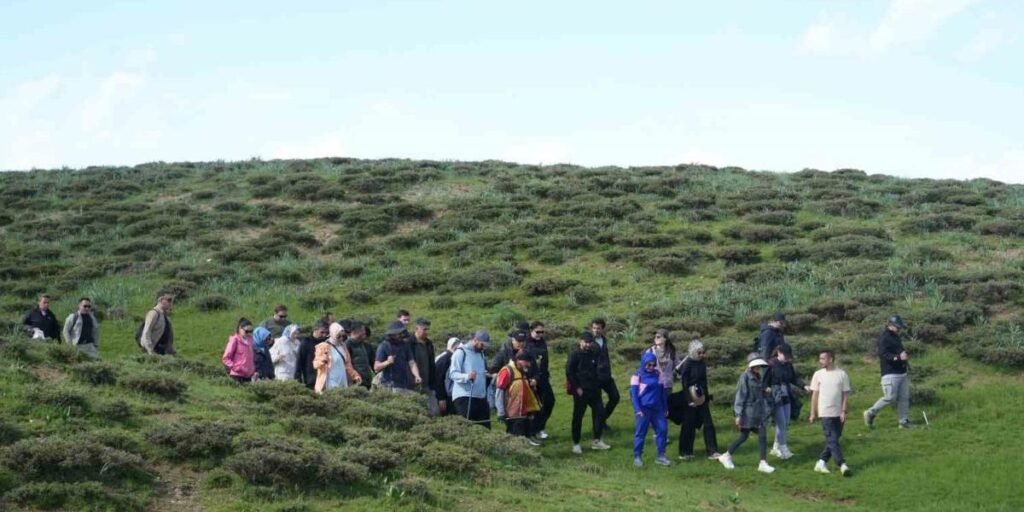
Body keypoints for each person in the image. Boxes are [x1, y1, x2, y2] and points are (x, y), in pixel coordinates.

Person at [719, 353, 775, 474]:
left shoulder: (758, 376)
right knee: (746, 436)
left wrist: (765, 391)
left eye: (760, 366)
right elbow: (740, 396)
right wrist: (738, 415)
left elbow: (757, 393)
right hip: (748, 413)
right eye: (757, 366)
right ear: (752, 366)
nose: (759, 368)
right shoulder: (744, 377)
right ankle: (727, 455)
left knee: (759, 435)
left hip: (758, 413)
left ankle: (762, 462)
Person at [674, 340, 721, 460]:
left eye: (703, 352)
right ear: (694, 352)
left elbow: (704, 382)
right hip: (689, 397)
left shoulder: (702, 363)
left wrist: (707, 397)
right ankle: (685, 452)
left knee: (708, 424)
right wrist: (689, 400)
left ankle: (712, 451)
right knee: (688, 424)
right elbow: (684, 384)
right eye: (699, 353)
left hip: (701, 396)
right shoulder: (687, 364)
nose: (702, 355)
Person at [864, 315, 912, 429]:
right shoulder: (884, 337)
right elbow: (883, 355)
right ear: (891, 325)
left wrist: (903, 357)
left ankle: (903, 421)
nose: (899, 329)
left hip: (902, 372)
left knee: (904, 398)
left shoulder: (896, 337)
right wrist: (898, 357)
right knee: (889, 397)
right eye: (898, 326)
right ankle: (871, 412)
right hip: (890, 373)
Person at [810, 350, 852, 476]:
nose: (820, 361)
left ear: (831, 359)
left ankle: (821, 462)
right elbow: (814, 395)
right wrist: (813, 413)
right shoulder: (818, 374)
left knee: (833, 440)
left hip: (838, 413)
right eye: (820, 358)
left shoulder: (842, 374)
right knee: (833, 440)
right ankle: (842, 464)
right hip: (825, 412)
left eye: (823, 359)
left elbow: (845, 395)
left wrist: (844, 411)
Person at [567, 331, 610, 453]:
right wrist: (577, 388)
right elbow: (569, 372)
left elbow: (596, 368)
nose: (588, 345)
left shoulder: (594, 352)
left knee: (600, 413)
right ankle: (576, 443)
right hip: (581, 391)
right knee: (578, 416)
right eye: (586, 342)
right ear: (580, 341)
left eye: (590, 342)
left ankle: (596, 440)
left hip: (594, 389)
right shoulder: (574, 355)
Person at [765, 343, 810, 460]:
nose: (787, 358)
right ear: (779, 353)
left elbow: (794, 378)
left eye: (788, 356)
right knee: (781, 423)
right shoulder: (770, 365)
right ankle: (784, 448)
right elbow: (764, 382)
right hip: (776, 397)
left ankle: (776, 447)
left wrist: (804, 386)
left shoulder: (788, 365)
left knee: (785, 423)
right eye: (785, 355)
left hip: (786, 395)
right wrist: (767, 389)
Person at [631, 351, 672, 467]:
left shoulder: (658, 374)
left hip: (657, 409)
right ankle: (637, 456)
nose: (651, 367)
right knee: (641, 433)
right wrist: (637, 409)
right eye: (649, 365)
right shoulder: (637, 375)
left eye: (654, 365)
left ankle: (661, 456)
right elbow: (634, 395)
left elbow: (662, 392)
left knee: (663, 430)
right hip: (643, 409)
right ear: (644, 363)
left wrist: (665, 408)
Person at [496, 352, 542, 445]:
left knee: (523, 431)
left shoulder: (521, 370)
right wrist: (501, 412)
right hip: (512, 412)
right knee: (514, 435)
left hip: (523, 410)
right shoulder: (506, 371)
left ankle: (527, 442)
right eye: (527, 362)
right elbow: (499, 393)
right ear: (518, 360)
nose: (529, 365)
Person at [449, 330, 491, 428]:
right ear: (475, 340)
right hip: (465, 396)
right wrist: (467, 376)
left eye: (485, 345)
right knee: (467, 427)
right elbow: (453, 374)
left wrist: (485, 375)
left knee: (485, 428)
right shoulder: (460, 352)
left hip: (481, 397)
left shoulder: (481, 354)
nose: (484, 347)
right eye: (482, 344)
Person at [525, 321, 555, 440]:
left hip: (543, 377)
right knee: (534, 406)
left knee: (549, 401)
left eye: (542, 332)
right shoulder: (526, 343)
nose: (540, 334)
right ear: (531, 331)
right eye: (538, 332)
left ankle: (539, 427)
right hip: (531, 378)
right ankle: (531, 431)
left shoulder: (543, 342)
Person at [373, 322, 422, 392]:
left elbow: (412, 362)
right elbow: (376, 367)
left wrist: (417, 375)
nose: (402, 335)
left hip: (403, 384)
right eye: (399, 333)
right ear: (392, 334)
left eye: (402, 333)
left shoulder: (405, 345)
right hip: (389, 385)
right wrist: (387, 362)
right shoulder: (384, 346)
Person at [591, 318, 620, 433]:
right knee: (597, 403)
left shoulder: (604, 340)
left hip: (606, 376)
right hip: (594, 377)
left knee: (615, 397)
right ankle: (597, 427)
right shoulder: (589, 342)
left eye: (598, 328)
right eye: (594, 328)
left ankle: (601, 420)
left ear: (603, 329)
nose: (595, 330)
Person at [314, 322, 361, 392]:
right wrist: (322, 360)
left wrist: (355, 375)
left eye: (343, 336)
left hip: (342, 379)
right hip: (330, 380)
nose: (341, 338)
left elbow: (348, 365)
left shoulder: (343, 346)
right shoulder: (323, 346)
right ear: (333, 334)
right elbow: (316, 364)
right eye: (339, 336)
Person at [410, 318, 438, 413]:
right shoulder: (409, 343)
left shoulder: (429, 344)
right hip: (412, 385)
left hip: (427, 385)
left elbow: (432, 365)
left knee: (433, 412)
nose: (427, 332)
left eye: (428, 329)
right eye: (424, 329)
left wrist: (433, 385)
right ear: (416, 328)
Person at [222, 318, 256, 384]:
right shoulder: (234, 340)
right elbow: (226, 358)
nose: (248, 333)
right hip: (237, 376)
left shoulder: (251, 340)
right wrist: (236, 367)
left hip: (248, 376)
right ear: (240, 328)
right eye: (247, 331)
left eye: (250, 331)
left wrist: (253, 370)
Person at [295, 321, 328, 389]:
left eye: (326, 333)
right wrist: (298, 380)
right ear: (315, 329)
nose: (324, 335)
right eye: (322, 332)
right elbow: (299, 362)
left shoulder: (326, 343)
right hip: (310, 381)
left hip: (325, 379)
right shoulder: (305, 343)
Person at [434, 337, 460, 416]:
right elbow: (438, 379)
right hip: (445, 396)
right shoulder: (446, 358)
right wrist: (441, 398)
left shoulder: (444, 356)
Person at [345, 323, 376, 390]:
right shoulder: (347, 345)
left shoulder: (363, 344)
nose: (365, 334)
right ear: (358, 332)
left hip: (366, 380)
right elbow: (347, 364)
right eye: (363, 332)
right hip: (356, 381)